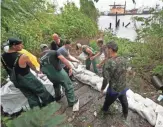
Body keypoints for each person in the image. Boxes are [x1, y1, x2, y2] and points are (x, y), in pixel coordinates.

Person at [1, 38, 55, 108]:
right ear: (14, 46)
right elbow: (32, 66)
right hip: (26, 77)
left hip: (15, 80)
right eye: (20, 45)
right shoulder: (22, 56)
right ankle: (52, 105)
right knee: (41, 90)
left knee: (30, 96)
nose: (22, 46)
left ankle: (37, 111)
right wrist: (37, 71)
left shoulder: (2, 57)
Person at [100, 41, 129, 119]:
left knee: (107, 102)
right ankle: (125, 113)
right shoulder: (123, 59)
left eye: (106, 48)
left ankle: (104, 111)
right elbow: (126, 71)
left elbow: (106, 79)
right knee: (124, 101)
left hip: (114, 89)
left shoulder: (109, 63)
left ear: (110, 49)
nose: (105, 50)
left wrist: (102, 88)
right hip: (123, 86)